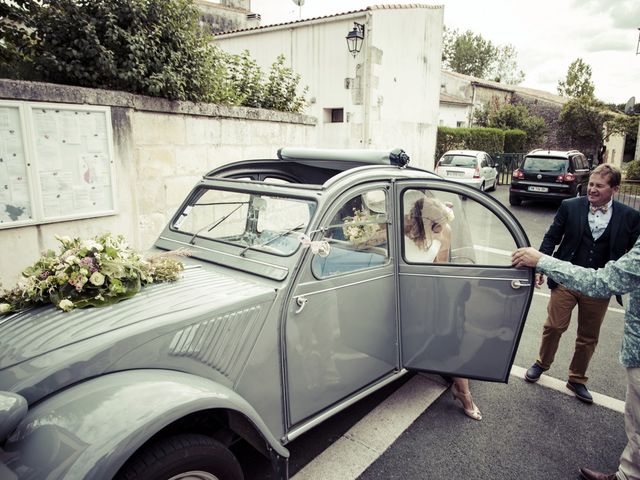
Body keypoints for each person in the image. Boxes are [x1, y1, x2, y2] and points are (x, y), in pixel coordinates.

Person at [512, 239, 640, 480]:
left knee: (638, 422)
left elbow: (603, 281)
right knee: (554, 327)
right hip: (567, 286)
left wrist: (542, 261)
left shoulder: (629, 219)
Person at [524, 164, 640, 403]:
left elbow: (632, 255)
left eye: (599, 185)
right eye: (591, 184)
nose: (592, 189)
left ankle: (577, 379)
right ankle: (541, 363)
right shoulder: (570, 206)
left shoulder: (630, 217)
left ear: (614, 189)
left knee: (588, 336)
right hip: (566, 279)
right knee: (554, 326)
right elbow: (552, 237)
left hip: (600, 286)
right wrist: (540, 266)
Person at [405, 192, 482, 421]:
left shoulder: (445, 232)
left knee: (451, 341)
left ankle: (464, 394)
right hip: (406, 289)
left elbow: (441, 267)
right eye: (435, 223)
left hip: (430, 291)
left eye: (441, 222)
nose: (440, 227)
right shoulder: (405, 226)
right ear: (422, 220)